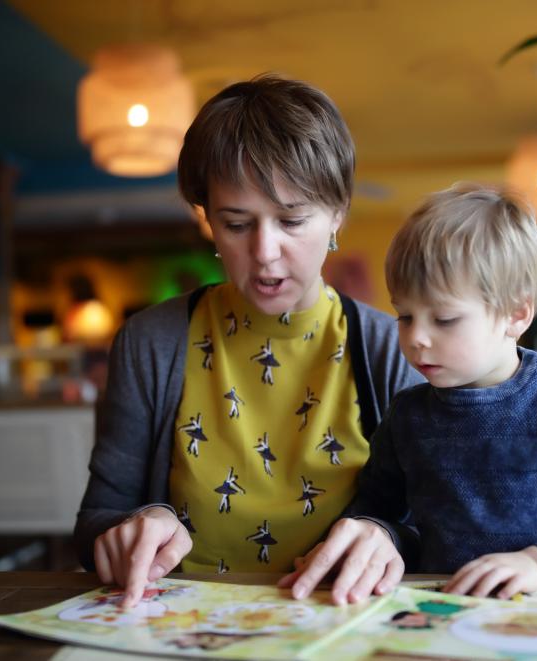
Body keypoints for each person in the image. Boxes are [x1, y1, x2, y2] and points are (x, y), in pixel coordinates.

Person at [75, 75, 423, 608]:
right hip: (179, 625)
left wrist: (389, 536)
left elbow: (433, 518)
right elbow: (96, 518)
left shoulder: (393, 348)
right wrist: (132, 526)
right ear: (208, 219)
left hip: (334, 623)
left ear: (338, 214)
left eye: (291, 220)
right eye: (236, 224)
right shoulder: (151, 343)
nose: (264, 252)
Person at [347, 183, 537, 598]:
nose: (416, 337)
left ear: (516, 314)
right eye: (404, 315)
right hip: (446, 615)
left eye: (444, 319)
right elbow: (377, 513)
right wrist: (376, 535)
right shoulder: (408, 415)